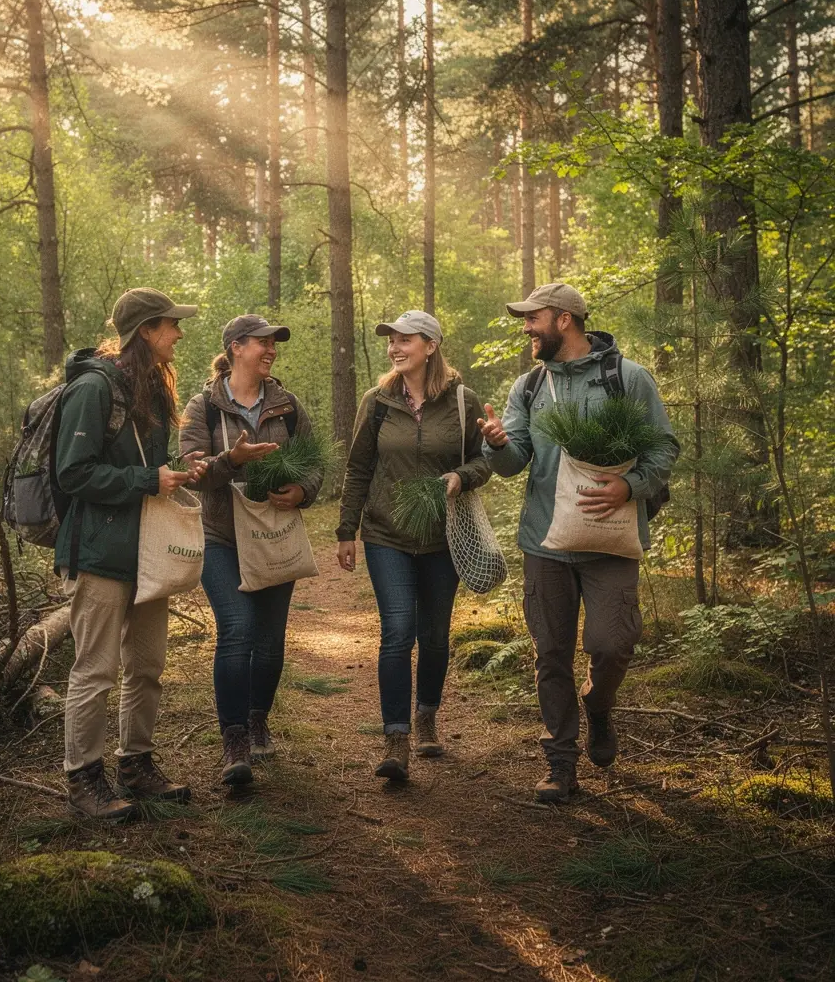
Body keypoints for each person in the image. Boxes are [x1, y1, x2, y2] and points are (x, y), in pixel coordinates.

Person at [478, 282, 679, 803]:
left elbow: (664, 446)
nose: (526, 328)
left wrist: (630, 486)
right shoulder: (529, 385)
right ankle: (561, 764)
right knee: (551, 654)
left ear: (564, 320)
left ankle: (598, 704)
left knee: (613, 644)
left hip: (611, 543)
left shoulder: (627, 378)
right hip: (544, 543)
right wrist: (497, 444)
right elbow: (513, 462)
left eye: (533, 318)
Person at [55, 287, 205, 820]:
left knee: (147, 666)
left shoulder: (151, 389)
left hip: (147, 552)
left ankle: (136, 765)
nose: (178, 334)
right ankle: (84, 780)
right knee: (96, 671)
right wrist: (147, 479)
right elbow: (72, 473)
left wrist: (180, 473)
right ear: (146, 331)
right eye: (170, 325)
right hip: (98, 554)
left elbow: (148, 466)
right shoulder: (93, 389)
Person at [336, 311, 492, 782]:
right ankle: (396, 738)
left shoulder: (463, 400)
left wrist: (460, 477)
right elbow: (358, 468)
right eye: (391, 341)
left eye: (405, 340)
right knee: (398, 631)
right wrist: (346, 530)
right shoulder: (378, 401)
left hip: (444, 538)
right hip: (387, 535)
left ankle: (426, 715)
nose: (395, 348)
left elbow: (483, 461)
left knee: (436, 635)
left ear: (431, 345)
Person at [180, 314, 321, 787]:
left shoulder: (287, 405)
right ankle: (235, 739)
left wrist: (303, 491)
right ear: (236, 347)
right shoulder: (202, 406)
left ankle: (259, 719)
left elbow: (314, 462)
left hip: (275, 535)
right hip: (220, 536)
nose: (272, 350)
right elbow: (193, 473)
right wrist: (230, 460)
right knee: (238, 629)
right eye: (263, 342)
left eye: (274, 343)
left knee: (270, 638)